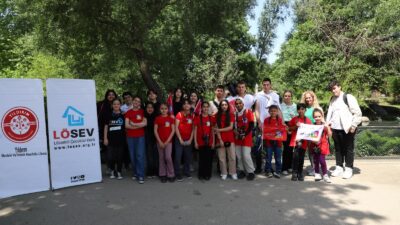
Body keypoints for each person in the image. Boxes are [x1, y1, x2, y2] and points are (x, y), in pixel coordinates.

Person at [326, 80, 362, 179]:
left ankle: (349, 168)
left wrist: (353, 125)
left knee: (348, 149)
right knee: (338, 148)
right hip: (335, 128)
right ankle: (339, 167)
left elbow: (358, 113)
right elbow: (330, 113)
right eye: (331, 89)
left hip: (347, 128)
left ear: (339, 86)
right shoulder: (332, 99)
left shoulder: (348, 97)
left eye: (334, 88)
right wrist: (327, 124)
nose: (333, 91)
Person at [254, 78, 282, 173]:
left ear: (270, 85)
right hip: (261, 124)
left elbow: (279, 110)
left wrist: (281, 123)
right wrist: (259, 122)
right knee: (259, 147)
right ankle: (258, 167)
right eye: (264, 84)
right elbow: (256, 110)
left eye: (267, 84)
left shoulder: (275, 96)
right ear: (262, 85)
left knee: (274, 147)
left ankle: (270, 167)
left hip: (274, 126)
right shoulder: (258, 95)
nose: (266, 86)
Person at [125, 96, 147, 184]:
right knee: (132, 156)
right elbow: (126, 125)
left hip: (140, 137)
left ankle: (141, 175)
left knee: (140, 156)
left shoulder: (142, 112)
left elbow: (145, 123)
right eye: (135, 100)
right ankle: (135, 173)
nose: (136, 102)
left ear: (140, 103)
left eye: (138, 101)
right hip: (130, 137)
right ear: (132, 101)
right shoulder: (128, 112)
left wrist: (133, 124)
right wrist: (138, 125)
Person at [233, 97, 256, 180]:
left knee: (246, 155)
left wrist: (245, 134)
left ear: (243, 104)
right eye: (237, 104)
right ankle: (241, 170)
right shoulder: (235, 114)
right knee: (239, 155)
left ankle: (251, 172)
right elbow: (233, 126)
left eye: (240, 103)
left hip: (246, 137)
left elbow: (251, 125)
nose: (238, 105)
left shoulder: (248, 112)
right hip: (237, 137)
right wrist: (235, 132)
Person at [214, 100, 237, 180]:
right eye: (222, 105)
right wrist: (220, 139)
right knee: (221, 158)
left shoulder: (231, 115)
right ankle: (224, 173)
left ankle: (233, 172)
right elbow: (216, 128)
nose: (224, 106)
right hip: (220, 139)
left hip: (230, 138)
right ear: (220, 106)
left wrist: (219, 130)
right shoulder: (216, 115)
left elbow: (231, 127)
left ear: (228, 106)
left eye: (225, 105)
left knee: (232, 157)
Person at [288, 103, 312, 181]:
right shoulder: (294, 119)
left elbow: (311, 131)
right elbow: (289, 128)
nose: (301, 111)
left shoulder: (308, 120)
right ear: (297, 110)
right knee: (295, 157)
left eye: (302, 109)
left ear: (305, 110)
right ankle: (294, 173)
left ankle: (300, 173)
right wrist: (296, 126)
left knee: (301, 158)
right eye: (299, 109)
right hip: (296, 141)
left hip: (304, 142)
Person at [103, 98, 125, 180]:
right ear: (112, 105)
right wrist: (105, 138)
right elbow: (106, 127)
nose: (116, 105)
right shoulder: (108, 115)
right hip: (110, 139)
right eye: (114, 104)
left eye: (118, 104)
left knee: (119, 157)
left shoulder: (123, 116)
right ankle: (112, 170)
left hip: (120, 140)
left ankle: (119, 171)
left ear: (120, 105)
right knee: (111, 157)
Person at [300, 90, 321, 176]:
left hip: (315, 131)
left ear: (313, 98)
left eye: (310, 97)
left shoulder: (318, 108)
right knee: (308, 151)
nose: (308, 99)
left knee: (315, 150)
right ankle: (313, 168)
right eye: (306, 98)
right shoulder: (303, 108)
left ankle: (317, 169)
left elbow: (321, 119)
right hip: (305, 131)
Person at [97, 89, 117, 174]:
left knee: (114, 150)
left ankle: (114, 167)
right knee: (106, 149)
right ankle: (109, 167)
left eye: (112, 94)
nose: (111, 96)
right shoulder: (100, 104)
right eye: (109, 94)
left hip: (114, 130)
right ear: (106, 95)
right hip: (102, 130)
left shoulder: (117, 104)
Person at [154, 103, 176, 183]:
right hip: (159, 142)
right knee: (161, 158)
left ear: (168, 109)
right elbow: (155, 130)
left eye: (165, 108)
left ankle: (171, 174)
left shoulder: (171, 118)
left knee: (168, 157)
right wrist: (159, 141)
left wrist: (167, 141)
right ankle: (162, 174)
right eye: (162, 108)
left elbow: (173, 130)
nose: (164, 110)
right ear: (160, 109)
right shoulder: (157, 118)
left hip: (168, 142)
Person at [194, 102, 215, 180]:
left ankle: (207, 174)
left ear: (208, 108)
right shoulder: (197, 118)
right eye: (204, 107)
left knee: (208, 159)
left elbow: (213, 131)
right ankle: (201, 174)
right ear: (201, 108)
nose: (205, 108)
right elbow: (195, 130)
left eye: (207, 107)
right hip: (200, 141)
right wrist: (195, 142)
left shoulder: (211, 118)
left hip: (209, 142)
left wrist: (213, 142)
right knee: (201, 159)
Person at [174, 99, 194, 181]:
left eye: (188, 103)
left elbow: (193, 129)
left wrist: (190, 139)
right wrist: (180, 139)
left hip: (189, 139)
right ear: (182, 106)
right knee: (178, 157)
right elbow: (176, 128)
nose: (186, 105)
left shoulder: (192, 115)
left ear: (190, 105)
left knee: (188, 157)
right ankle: (178, 173)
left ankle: (187, 171)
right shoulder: (179, 114)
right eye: (184, 104)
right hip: (179, 139)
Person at [263, 105, 285, 178]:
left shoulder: (280, 120)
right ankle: (268, 171)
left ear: (277, 112)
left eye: (275, 111)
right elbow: (266, 131)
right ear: (269, 112)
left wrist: (275, 137)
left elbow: (281, 131)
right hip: (269, 142)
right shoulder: (266, 120)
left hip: (278, 142)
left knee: (278, 158)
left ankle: (278, 171)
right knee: (268, 157)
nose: (273, 112)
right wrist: (271, 136)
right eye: (271, 111)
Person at [310, 108, 332, 183]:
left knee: (322, 161)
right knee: (316, 160)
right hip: (315, 145)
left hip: (323, 145)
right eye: (316, 117)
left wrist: (327, 126)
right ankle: (317, 173)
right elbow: (310, 136)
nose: (317, 118)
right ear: (313, 117)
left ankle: (325, 174)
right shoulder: (312, 126)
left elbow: (329, 134)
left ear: (322, 116)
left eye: (319, 116)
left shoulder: (324, 125)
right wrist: (314, 141)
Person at [280, 90, 298, 175]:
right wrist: (286, 128)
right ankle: (284, 167)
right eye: (285, 96)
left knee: (291, 148)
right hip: (284, 126)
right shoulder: (280, 106)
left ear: (291, 97)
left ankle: (290, 166)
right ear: (283, 97)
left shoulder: (295, 106)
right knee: (285, 148)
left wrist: (292, 129)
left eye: (289, 96)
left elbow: (296, 117)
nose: (287, 97)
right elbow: (279, 118)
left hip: (293, 127)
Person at [144, 102, 158, 178]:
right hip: (147, 138)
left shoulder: (157, 116)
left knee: (155, 155)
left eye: (151, 107)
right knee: (149, 155)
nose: (150, 109)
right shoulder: (144, 116)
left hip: (156, 137)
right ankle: (149, 171)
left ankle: (156, 171)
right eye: (148, 107)